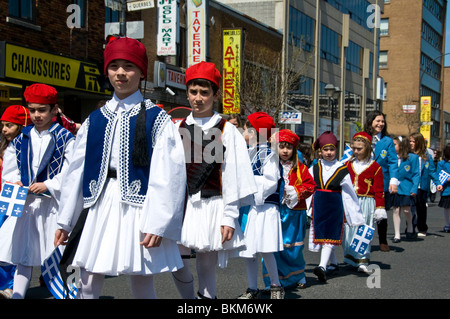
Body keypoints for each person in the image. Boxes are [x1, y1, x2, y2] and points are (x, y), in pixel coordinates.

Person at [54, 37, 187, 299]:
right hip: (100, 203)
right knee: (88, 278)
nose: (121, 73)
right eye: (114, 66)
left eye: (129, 66)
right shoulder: (95, 119)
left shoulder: (157, 118)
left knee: (141, 278)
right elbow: (76, 172)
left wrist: (159, 222)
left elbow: (169, 174)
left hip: (139, 207)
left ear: (141, 72)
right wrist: (65, 219)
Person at [172, 61, 257, 299]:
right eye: (193, 92)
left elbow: (232, 176)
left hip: (213, 205)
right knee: (176, 261)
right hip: (182, 206)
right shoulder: (177, 127)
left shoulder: (227, 130)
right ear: (187, 92)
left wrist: (229, 216)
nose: (198, 98)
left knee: (206, 265)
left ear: (215, 94)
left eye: (204, 92)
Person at [0, 84, 75, 299]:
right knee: (22, 255)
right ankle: (18, 295)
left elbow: (72, 173)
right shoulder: (21, 138)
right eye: (32, 110)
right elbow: (10, 169)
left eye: (42, 110)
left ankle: (72, 294)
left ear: (54, 110)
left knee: (61, 256)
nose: (36, 115)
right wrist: (14, 182)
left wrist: (49, 185)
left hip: (53, 206)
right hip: (27, 206)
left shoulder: (66, 138)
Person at [237, 111, 284, 299]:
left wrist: (250, 186)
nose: (244, 130)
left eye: (247, 127)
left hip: (264, 207)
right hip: (252, 208)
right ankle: (252, 288)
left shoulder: (268, 154)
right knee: (249, 250)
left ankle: (276, 286)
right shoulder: (251, 152)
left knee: (265, 248)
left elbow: (272, 180)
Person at [306, 131, 364, 283]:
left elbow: (349, 193)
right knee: (323, 235)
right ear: (320, 151)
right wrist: (306, 208)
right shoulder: (315, 168)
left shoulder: (342, 168)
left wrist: (353, 213)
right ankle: (333, 264)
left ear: (336, 150)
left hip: (335, 206)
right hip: (318, 205)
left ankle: (322, 267)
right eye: (325, 149)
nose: (329, 153)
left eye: (332, 149)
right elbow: (308, 187)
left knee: (329, 237)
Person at [261, 129, 316, 290]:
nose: (285, 151)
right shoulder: (269, 165)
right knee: (272, 247)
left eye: (289, 147)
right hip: (273, 211)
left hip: (294, 213)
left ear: (294, 149)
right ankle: (272, 280)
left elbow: (310, 186)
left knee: (292, 247)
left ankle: (298, 275)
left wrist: (292, 191)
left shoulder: (301, 168)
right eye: (282, 147)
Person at [0, 105, 31, 299]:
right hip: (4, 199)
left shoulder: (27, 146)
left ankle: (11, 286)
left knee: (13, 243)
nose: (4, 129)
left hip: (18, 199)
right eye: (2, 125)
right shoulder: (4, 146)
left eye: (9, 125)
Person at [343, 132, 385, 273]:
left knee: (364, 229)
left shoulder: (375, 167)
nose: (356, 151)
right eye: (354, 148)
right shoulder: (347, 165)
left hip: (366, 201)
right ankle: (350, 257)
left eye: (359, 149)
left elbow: (379, 190)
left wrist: (380, 207)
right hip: (350, 201)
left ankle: (362, 259)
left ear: (367, 148)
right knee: (349, 230)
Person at [364, 110, 398, 252]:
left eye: (382, 121)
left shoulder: (387, 141)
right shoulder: (363, 137)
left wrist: (393, 180)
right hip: (363, 181)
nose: (380, 124)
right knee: (363, 212)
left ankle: (383, 239)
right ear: (370, 121)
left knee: (381, 211)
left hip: (381, 181)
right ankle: (363, 240)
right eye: (378, 121)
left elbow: (392, 162)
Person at [409, 132, 442, 236]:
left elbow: (432, 171)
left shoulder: (426, 156)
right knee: (410, 208)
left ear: (418, 142)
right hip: (411, 185)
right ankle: (410, 227)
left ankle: (422, 228)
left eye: (413, 141)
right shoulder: (408, 155)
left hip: (422, 185)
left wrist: (438, 183)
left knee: (421, 208)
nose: (411, 143)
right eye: (410, 141)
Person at [391, 137, 420, 243]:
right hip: (395, 187)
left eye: (395, 144)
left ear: (402, 145)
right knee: (396, 210)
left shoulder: (413, 157)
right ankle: (397, 235)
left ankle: (410, 227)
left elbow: (416, 174)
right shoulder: (392, 157)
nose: (392, 146)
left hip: (407, 187)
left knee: (407, 209)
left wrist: (414, 188)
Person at [436, 144, 450, 233]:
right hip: (446, 189)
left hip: (446, 189)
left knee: (447, 208)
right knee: (447, 208)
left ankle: (447, 225)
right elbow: (438, 175)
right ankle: (447, 224)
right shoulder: (442, 163)